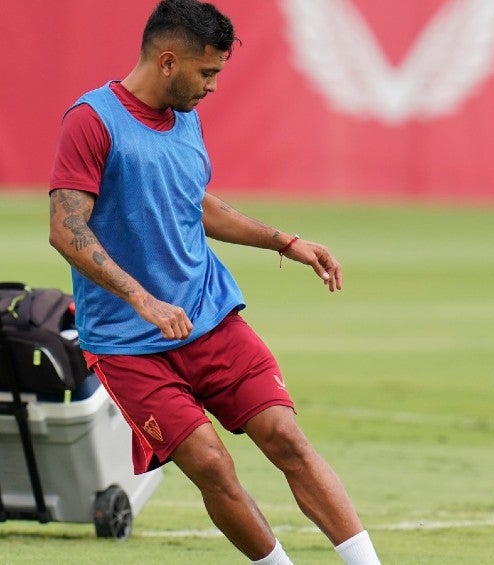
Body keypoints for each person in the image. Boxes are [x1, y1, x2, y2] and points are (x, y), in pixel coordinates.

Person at [47, 1, 381, 563]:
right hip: (130, 345)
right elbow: (65, 227)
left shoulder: (186, 117)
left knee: (287, 439)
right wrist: (143, 300)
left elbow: (195, 205)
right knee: (212, 466)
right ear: (170, 61)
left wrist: (284, 242)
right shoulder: (92, 120)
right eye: (208, 73)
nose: (214, 86)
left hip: (210, 318)